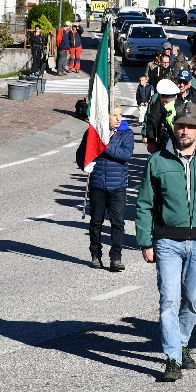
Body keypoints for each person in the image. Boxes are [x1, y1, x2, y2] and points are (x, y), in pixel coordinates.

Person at [135, 103, 196, 382]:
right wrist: (145, 241)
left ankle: (182, 343)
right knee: (169, 299)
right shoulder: (157, 161)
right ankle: (172, 357)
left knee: (193, 299)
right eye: (180, 126)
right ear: (174, 128)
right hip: (167, 241)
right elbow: (145, 204)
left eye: (190, 126)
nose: (184, 131)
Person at [76, 106, 133, 272]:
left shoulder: (126, 133)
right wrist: (84, 165)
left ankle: (116, 257)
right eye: (114, 115)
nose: (118, 118)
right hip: (98, 184)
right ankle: (95, 254)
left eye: (120, 115)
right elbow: (81, 153)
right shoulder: (93, 133)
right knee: (96, 222)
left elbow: (125, 155)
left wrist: (105, 146)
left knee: (118, 223)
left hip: (118, 186)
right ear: (105, 116)